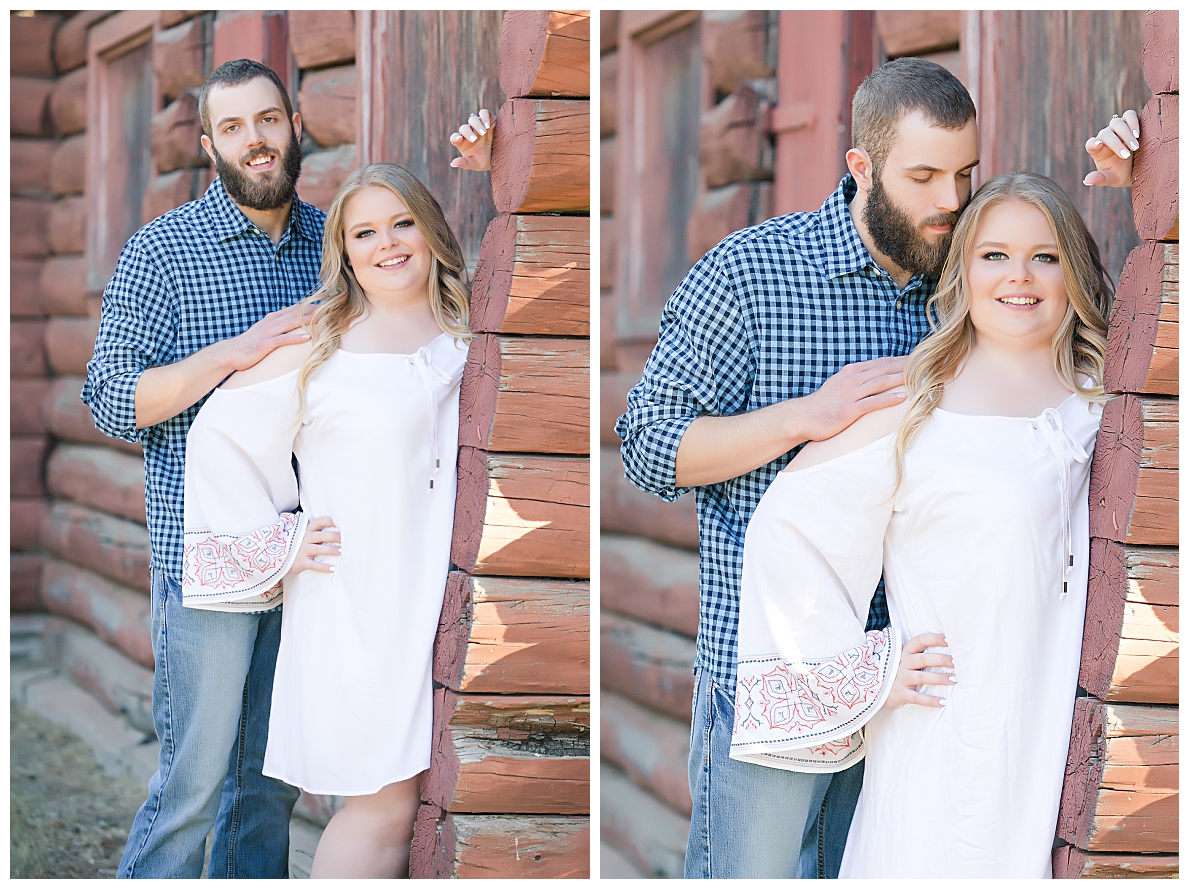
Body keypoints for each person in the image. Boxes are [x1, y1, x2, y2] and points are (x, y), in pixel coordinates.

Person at [615, 56, 1137, 878]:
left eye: (963, 174)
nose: (948, 200)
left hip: (930, 687)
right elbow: (646, 448)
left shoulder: (963, 270)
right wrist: (802, 417)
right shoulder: (752, 273)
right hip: (782, 662)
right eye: (923, 175)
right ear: (860, 165)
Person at [83, 55, 493, 878]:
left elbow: (431, 310)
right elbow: (110, 399)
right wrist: (228, 357)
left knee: (266, 786)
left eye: (267, 120)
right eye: (232, 127)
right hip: (214, 553)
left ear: (296, 127)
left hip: (329, 561)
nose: (255, 141)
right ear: (208, 144)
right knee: (195, 780)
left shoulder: (332, 239)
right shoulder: (164, 251)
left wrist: (498, 168)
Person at [731, 172, 1112, 877]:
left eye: (1044, 255)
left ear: (1073, 271)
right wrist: (864, 672)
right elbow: (788, 532)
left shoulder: (1107, 401)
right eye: (993, 255)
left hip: (1073, 728)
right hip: (954, 734)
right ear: (963, 270)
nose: (1018, 276)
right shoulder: (912, 407)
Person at [182, 161, 474, 878]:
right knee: (382, 802)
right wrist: (277, 542)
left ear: (430, 230)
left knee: (414, 796)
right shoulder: (322, 345)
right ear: (343, 251)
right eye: (364, 232)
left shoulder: (474, 327)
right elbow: (217, 435)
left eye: (401, 222)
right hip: (360, 600)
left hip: (442, 596)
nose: (387, 244)